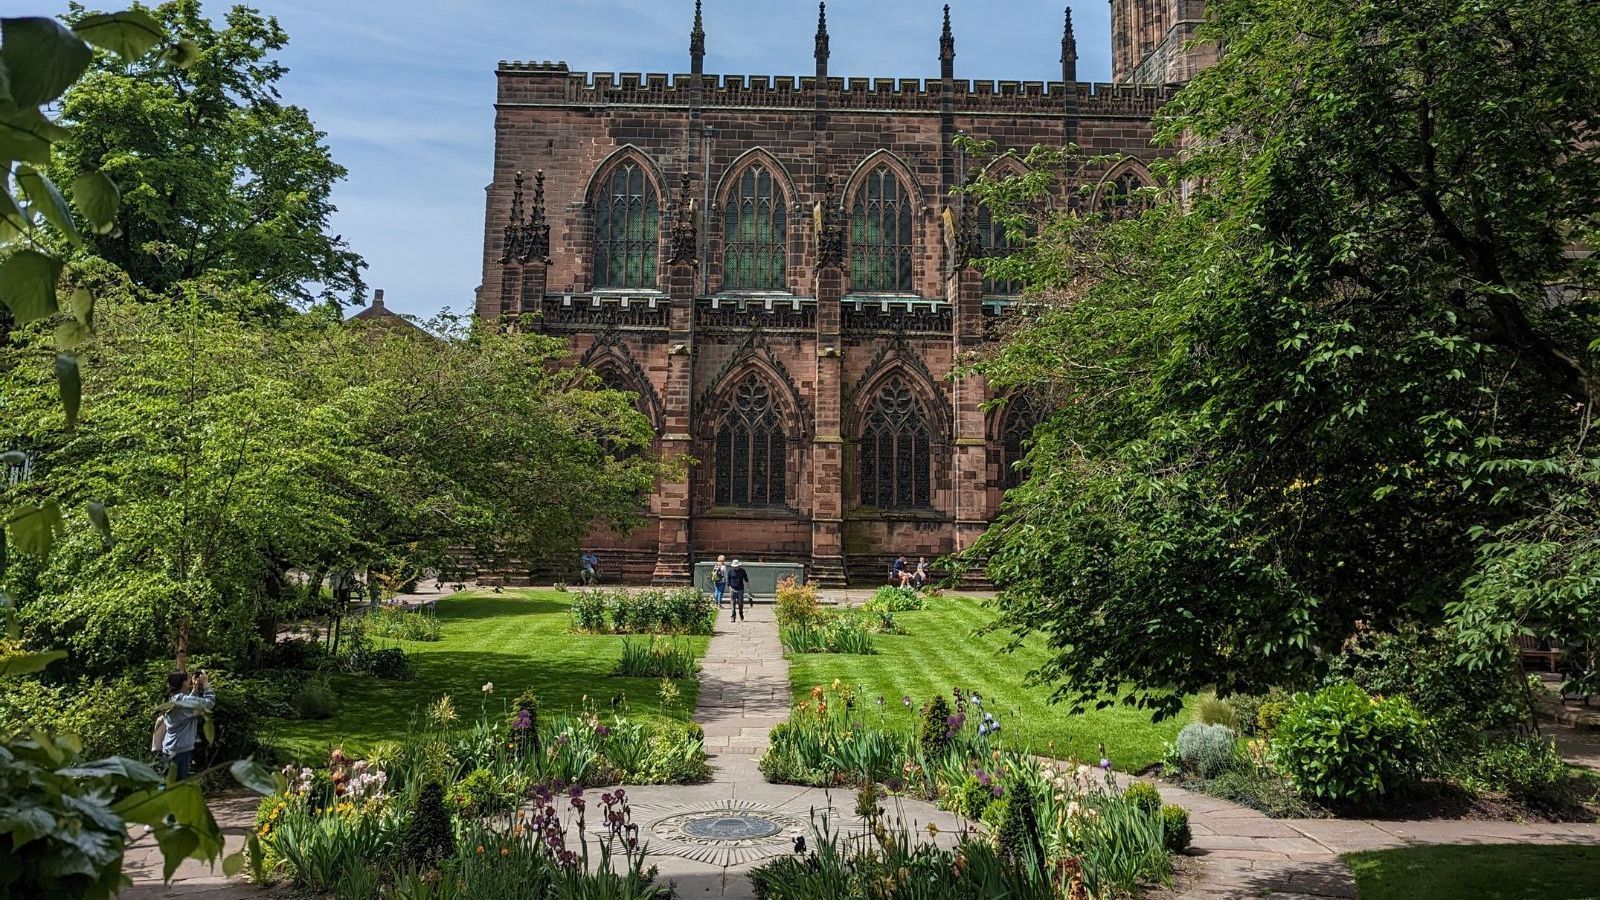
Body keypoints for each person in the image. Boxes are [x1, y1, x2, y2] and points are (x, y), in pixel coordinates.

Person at [159, 670, 215, 782]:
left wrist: (194, 690)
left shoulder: (172, 697)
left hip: (169, 748)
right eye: (188, 678)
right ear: (183, 682)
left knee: (168, 782)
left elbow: (187, 708)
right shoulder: (183, 700)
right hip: (180, 751)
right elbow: (209, 703)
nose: (190, 680)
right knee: (177, 786)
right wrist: (206, 685)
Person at [726, 559, 750, 623]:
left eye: (736, 566)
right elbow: (728, 580)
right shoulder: (730, 571)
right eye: (734, 566)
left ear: (739, 566)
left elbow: (746, 579)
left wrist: (748, 588)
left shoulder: (742, 571)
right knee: (732, 604)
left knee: (740, 603)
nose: (735, 567)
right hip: (732, 589)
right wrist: (730, 588)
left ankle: (741, 613)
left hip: (740, 589)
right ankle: (733, 617)